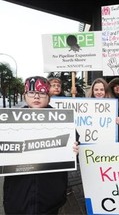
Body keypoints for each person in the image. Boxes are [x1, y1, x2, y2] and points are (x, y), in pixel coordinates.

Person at [3, 76, 79, 215]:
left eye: (42, 93)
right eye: (31, 93)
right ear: (25, 95)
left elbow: (74, 148)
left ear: (48, 96)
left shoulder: (63, 121)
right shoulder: (8, 121)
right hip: (18, 194)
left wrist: (75, 150)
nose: (36, 97)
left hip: (49, 195)